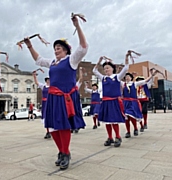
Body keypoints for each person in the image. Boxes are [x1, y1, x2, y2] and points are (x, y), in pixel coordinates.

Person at [23, 15, 88, 170]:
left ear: (65, 50)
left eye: (59, 48)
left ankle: (65, 153)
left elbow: (83, 46)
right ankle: (62, 151)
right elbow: (38, 60)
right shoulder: (52, 62)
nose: (56, 50)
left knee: (64, 126)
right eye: (55, 48)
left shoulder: (71, 60)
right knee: (52, 127)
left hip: (65, 98)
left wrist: (77, 25)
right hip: (53, 97)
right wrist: (29, 46)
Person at [93, 53, 129, 148]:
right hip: (105, 102)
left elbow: (126, 68)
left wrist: (126, 57)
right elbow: (94, 70)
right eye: (105, 69)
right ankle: (110, 137)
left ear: (112, 69)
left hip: (114, 101)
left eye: (108, 68)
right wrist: (99, 61)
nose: (106, 70)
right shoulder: (103, 78)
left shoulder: (117, 77)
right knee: (107, 121)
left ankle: (118, 136)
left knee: (114, 120)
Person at [122, 72, 157, 138]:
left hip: (133, 102)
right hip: (126, 103)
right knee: (126, 117)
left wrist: (152, 75)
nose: (127, 77)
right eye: (126, 76)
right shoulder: (123, 84)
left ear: (131, 78)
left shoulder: (135, 84)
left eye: (129, 76)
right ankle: (128, 132)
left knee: (133, 116)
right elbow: (116, 80)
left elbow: (145, 81)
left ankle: (136, 128)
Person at [33, 72, 51, 139]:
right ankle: (48, 131)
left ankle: (52, 131)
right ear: (46, 80)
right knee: (45, 117)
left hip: (50, 102)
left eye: (49, 79)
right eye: (48, 80)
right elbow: (37, 83)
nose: (49, 81)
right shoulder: (43, 86)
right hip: (44, 103)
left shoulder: (53, 87)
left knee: (51, 116)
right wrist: (34, 76)